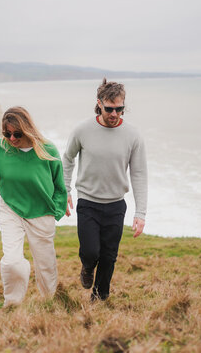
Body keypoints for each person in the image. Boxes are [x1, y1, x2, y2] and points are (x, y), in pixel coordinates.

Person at [0, 106, 67, 307]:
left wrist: (55, 212)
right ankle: (12, 304)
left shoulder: (47, 150)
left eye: (17, 134)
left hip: (41, 212)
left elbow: (59, 186)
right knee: (11, 262)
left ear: (28, 129)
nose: (12, 139)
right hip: (11, 210)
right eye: (7, 134)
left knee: (46, 266)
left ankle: (49, 304)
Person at [62, 78, 148, 301]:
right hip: (88, 202)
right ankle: (87, 267)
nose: (115, 114)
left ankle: (100, 298)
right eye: (109, 109)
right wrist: (66, 190)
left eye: (119, 109)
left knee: (109, 257)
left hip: (116, 204)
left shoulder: (133, 135)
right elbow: (68, 159)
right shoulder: (82, 130)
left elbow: (138, 174)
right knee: (91, 253)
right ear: (99, 103)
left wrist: (140, 213)